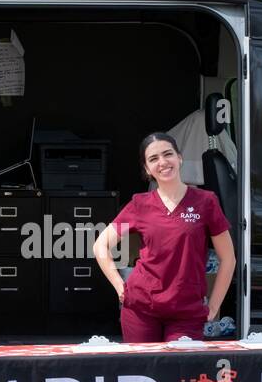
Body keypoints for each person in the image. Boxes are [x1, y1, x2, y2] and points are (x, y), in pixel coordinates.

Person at [93, 132, 236, 342]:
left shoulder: (206, 202)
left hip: (187, 312)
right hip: (141, 308)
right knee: (140, 372)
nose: (162, 162)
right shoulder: (139, 205)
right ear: (147, 169)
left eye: (167, 154)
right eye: (153, 159)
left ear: (179, 157)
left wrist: (213, 306)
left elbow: (228, 258)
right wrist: (119, 286)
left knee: (182, 373)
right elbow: (100, 245)